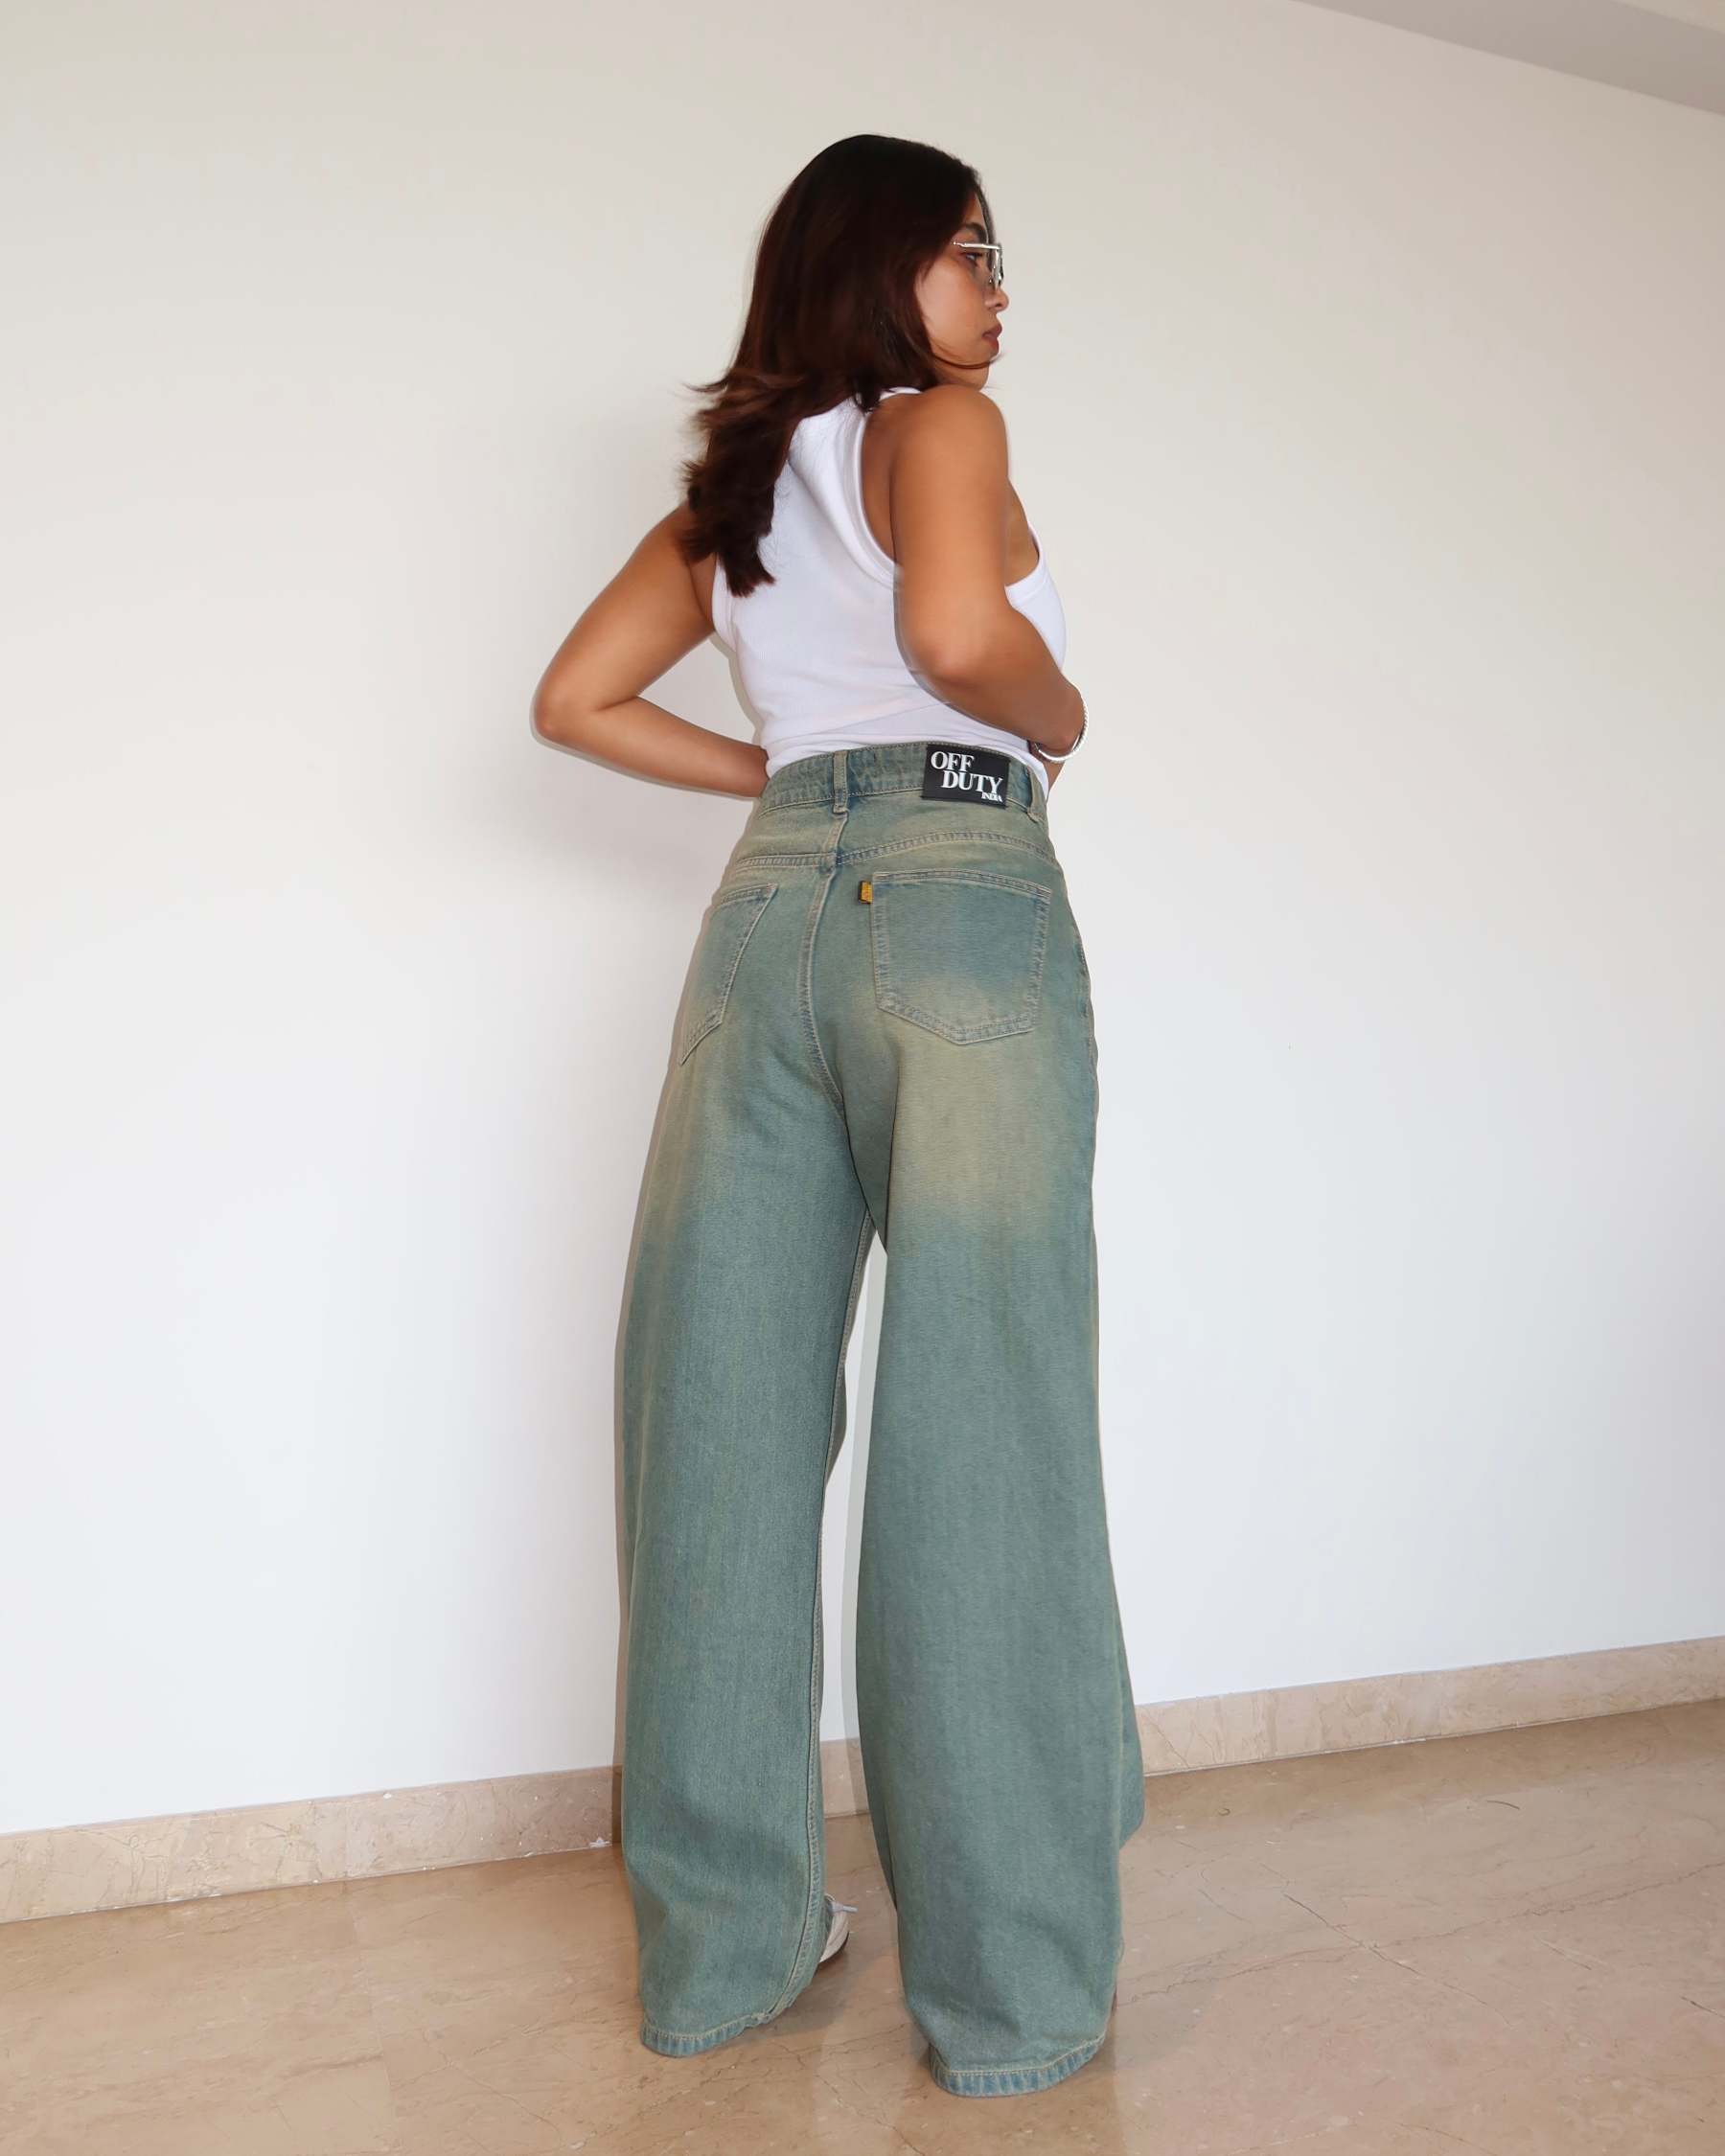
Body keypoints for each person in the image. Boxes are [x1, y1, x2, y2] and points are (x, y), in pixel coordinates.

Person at [531, 132, 1145, 2100]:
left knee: (713, 1417)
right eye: (972, 252)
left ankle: (724, 1958)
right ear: (880, 269)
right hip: (958, 897)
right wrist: (1061, 719)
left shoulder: (731, 494)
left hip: (767, 924)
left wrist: (795, 780)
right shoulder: (937, 423)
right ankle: (1013, 2000)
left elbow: (576, 699)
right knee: (986, 1427)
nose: (998, 290)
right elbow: (961, 640)